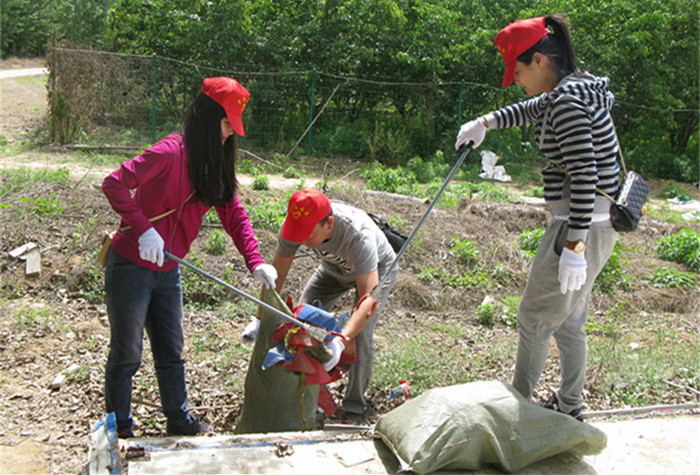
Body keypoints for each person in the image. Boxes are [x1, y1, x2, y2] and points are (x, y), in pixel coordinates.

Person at [455, 15, 620, 421]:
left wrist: (574, 247)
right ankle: (569, 405)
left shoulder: (566, 103)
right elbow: (532, 108)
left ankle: (517, 413)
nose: (516, 81)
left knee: (533, 318)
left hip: (579, 225)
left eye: (518, 71)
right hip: (597, 223)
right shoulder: (574, 88)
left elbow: (585, 174)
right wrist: (486, 122)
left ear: (540, 60)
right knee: (568, 321)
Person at [101, 77, 278, 438]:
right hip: (131, 267)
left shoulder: (214, 160)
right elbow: (113, 183)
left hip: (168, 269)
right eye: (227, 124)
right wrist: (143, 229)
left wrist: (256, 261)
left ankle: (178, 419)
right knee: (127, 354)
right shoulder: (169, 153)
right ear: (208, 118)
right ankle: (119, 430)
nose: (230, 134)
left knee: (172, 350)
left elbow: (233, 212)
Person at [244, 188, 398, 420]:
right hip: (333, 271)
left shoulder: (358, 235)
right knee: (301, 321)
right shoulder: (293, 226)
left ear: (329, 223)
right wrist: (259, 318)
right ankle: (308, 394)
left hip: (378, 269)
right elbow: (277, 277)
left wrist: (341, 340)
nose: (301, 240)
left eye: (308, 235)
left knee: (361, 335)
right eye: (298, 233)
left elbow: (368, 301)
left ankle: (355, 406)